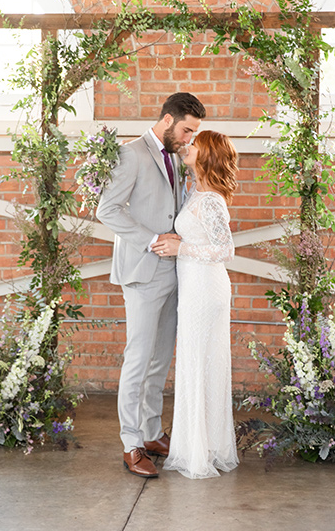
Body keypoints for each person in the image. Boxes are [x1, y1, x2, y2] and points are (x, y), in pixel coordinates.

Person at [96, 92, 206, 478]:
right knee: (138, 359)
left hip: (176, 269)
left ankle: (152, 432)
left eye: (194, 132)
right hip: (143, 269)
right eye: (187, 130)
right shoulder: (131, 154)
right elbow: (107, 209)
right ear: (166, 120)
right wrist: (150, 239)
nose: (190, 138)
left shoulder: (177, 154)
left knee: (160, 359)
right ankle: (131, 445)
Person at [151, 130, 239, 479]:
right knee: (194, 363)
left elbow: (225, 250)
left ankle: (203, 450)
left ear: (207, 154)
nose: (189, 146)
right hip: (192, 287)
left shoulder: (213, 200)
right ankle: (199, 444)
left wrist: (180, 249)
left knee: (202, 364)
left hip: (206, 289)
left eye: (195, 143)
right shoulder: (194, 190)